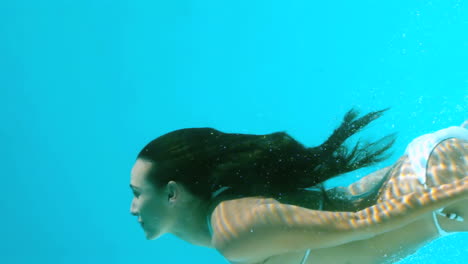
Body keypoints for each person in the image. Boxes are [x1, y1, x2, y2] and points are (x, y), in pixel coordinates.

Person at [129, 109, 468, 264]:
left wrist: (453, 191)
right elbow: (348, 205)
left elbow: (365, 222)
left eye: (137, 194)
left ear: (172, 193)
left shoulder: (234, 229)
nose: (133, 208)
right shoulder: (231, 219)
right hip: (428, 180)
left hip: (435, 190)